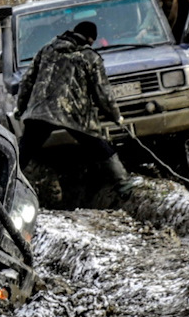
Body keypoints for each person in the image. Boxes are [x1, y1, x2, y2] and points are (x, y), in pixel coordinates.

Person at [16, 20, 135, 197]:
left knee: (23, 152)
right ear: (90, 38)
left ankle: (4, 181)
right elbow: (102, 92)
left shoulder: (47, 49)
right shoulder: (90, 57)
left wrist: (22, 107)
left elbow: (27, 81)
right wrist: (115, 116)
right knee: (100, 147)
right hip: (74, 113)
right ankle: (123, 185)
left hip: (41, 110)